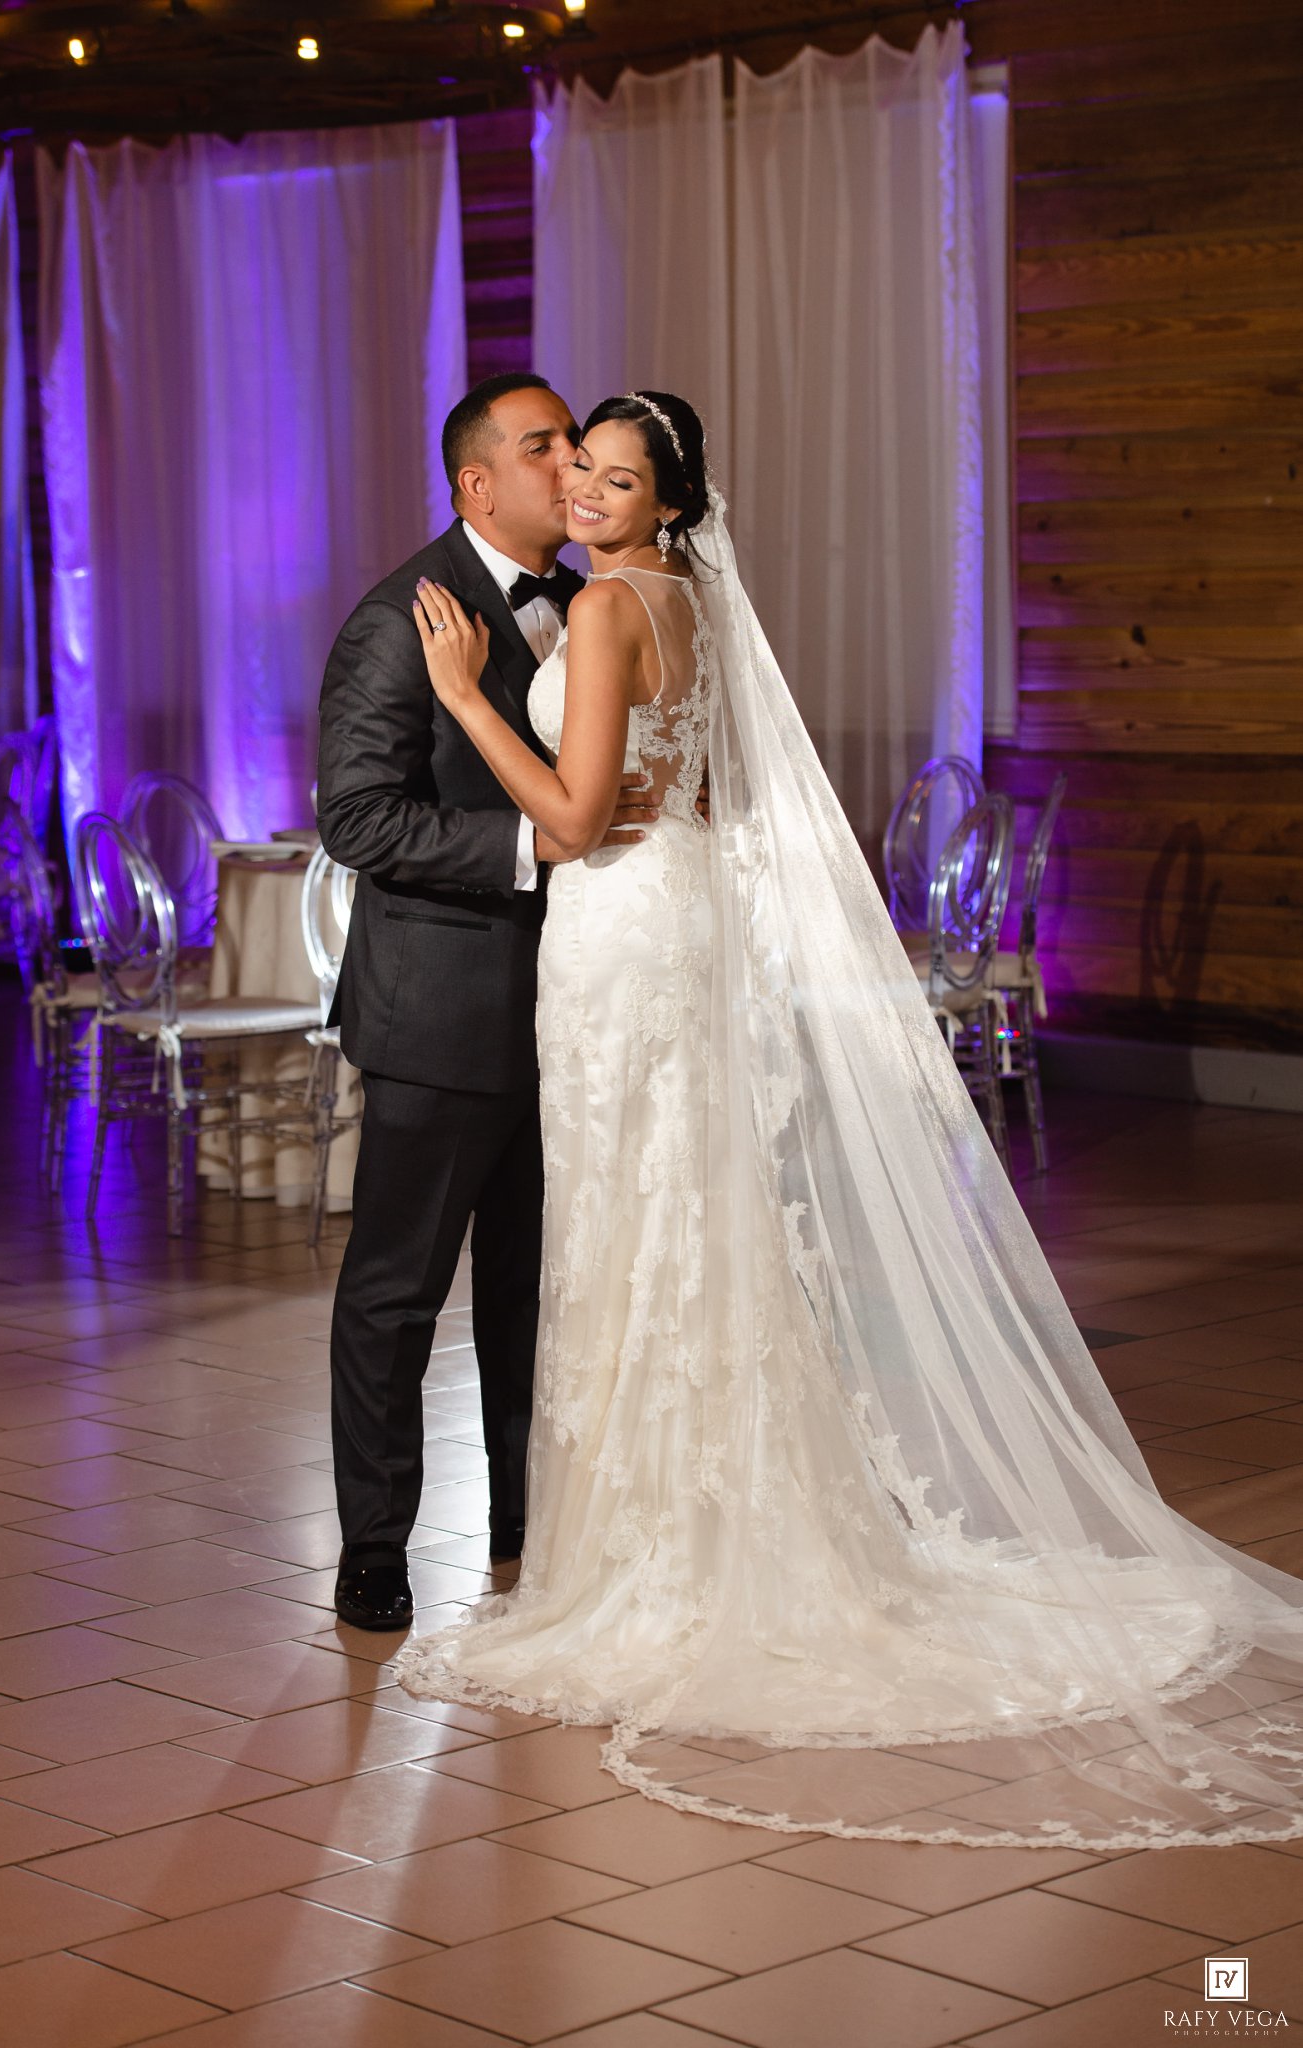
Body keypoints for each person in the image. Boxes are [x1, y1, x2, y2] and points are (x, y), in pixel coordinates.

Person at [395, 388, 1303, 1852]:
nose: (586, 494)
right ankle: (708, 1528)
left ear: (667, 503)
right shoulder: (687, 598)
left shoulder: (612, 608)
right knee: (686, 1220)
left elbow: (568, 823)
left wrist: (463, 700)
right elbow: (676, 792)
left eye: (617, 480)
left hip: (621, 938)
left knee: (638, 1225)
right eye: (581, 473)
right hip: (669, 923)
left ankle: (660, 1559)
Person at [316, 373, 657, 1632]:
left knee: (535, 1287)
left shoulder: (592, 599)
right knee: (398, 1290)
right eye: (543, 445)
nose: (570, 464)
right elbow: (358, 817)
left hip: (572, 1007)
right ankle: (373, 1545)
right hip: (439, 1010)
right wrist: (532, 844)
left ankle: (526, 1520)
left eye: (575, 443)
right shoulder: (399, 617)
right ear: (476, 481)